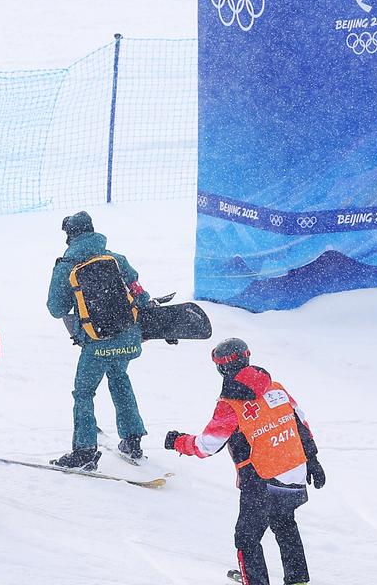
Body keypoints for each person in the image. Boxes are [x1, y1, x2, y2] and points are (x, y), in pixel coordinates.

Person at [164, 338, 326, 585]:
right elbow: (299, 421)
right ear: (247, 358)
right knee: (284, 524)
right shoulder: (276, 388)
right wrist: (312, 458)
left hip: (262, 479)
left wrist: (178, 442)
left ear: (221, 368)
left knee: (247, 538)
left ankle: (256, 580)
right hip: (294, 470)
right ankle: (297, 580)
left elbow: (207, 445)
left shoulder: (230, 403)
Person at [46, 211, 151, 470]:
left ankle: (84, 450)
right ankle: (132, 439)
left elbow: (56, 308)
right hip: (127, 338)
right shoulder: (115, 258)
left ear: (70, 235)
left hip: (97, 343)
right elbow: (139, 293)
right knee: (119, 379)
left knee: (84, 392)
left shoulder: (66, 266)